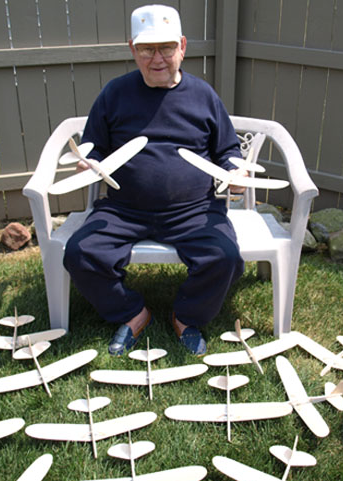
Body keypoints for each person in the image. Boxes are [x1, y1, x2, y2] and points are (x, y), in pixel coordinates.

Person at [63, 4, 246, 356]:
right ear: (133, 48)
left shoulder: (203, 95)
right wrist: (88, 163)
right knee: (81, 253)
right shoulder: (115, 93)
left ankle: (187, 316)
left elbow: (227, 150)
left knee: (225, 258)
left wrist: (236, 174)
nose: (157, 58)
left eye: (166, 48)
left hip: (192, 211)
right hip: (123, 209)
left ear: (183, 46)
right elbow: (94, 146)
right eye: (147, 49)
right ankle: (132, 313)